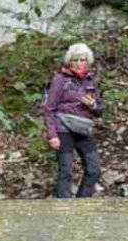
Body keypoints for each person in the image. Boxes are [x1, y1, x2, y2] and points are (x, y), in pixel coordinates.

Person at [42, 41, 103, 199]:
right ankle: (64, 208)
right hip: (63, 129)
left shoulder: (90, 81)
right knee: (66, 170)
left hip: (82, 129)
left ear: (88, 62)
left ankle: (82, 202)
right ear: (69, 62)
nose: (78, 63)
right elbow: (49, 108)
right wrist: (52, 135)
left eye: (82, 59)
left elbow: (99, 111)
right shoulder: (60, 79)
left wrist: (93, 105)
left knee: (94, 168)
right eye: (75, 60)